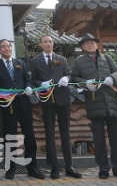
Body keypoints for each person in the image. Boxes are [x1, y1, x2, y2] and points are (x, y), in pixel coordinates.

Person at [70, 33, 117, 180]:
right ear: (83, 47)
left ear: (97, 45)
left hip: (111, 101)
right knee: (99, 139)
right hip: (94, 102)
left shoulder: (107, 58)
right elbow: (74, 78)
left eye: (93, 43)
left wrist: (112, 78)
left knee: (116, 137)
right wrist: (86, 83)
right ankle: (103, 168)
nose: (90, 45)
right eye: (87, 43)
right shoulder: (79, 62)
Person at [0, 39, 45, 180]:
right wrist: (0, 92)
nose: (7, 48)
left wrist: (28, 86)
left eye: (8, 46)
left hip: (23, 104)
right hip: (8, 105)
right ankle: (10, 168)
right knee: (9, 136)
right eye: (3, 47)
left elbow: (27, 79)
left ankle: (32, 168)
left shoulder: (20, 63)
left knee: (29, 136)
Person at [29, 35, 82, 179]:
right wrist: (41, 84)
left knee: (66, 133)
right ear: (41, 45)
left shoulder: (61, 59)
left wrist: (66, 78)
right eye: (45, 42)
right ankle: (54, 167)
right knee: (49, 133)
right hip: (47, 100)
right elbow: (33, 79)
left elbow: (69, 74)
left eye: (50, 42)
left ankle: (69, 166)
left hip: (62, 99)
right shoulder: (35, 61)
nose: (48, 44)